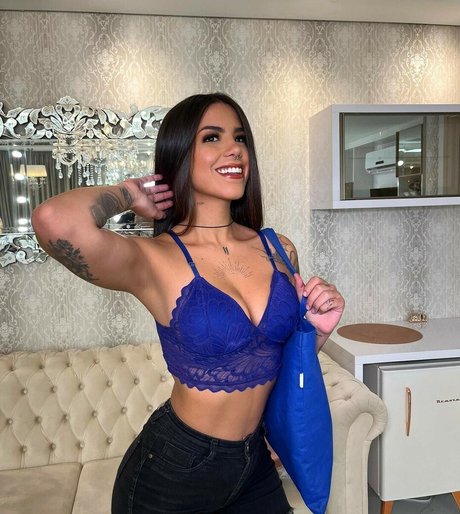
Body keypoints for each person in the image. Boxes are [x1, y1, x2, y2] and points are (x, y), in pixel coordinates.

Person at [32, 92, 345, 514]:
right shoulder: (155, 258)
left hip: (253, 462)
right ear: (180, 154)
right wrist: (128, 193)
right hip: (172, 471)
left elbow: (279, 359)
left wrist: (316, 332)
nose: (234, 149)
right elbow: (53, 221)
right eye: (212, 137)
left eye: (240, 138)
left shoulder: (279, 249)